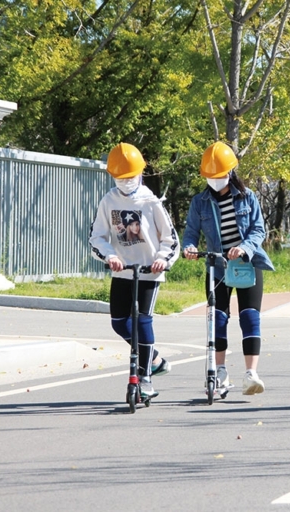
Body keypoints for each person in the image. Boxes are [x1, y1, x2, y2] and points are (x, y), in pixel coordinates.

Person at [182, 141, 275, 395]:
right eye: (211, 176)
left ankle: (251, 374)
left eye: (220, 175)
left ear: (231, 172)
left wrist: (244, 247)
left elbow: (258, 229)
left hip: (247, 263)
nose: (215, 180)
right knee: (218, 319)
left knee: (249, 317)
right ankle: (220, 372)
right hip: (218, 267)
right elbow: (190, 232)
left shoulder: (248, 197)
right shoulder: (199, 202)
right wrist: (188, 247)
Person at [90, 142, 180, 399]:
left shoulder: (151, 202)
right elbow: (97, 237)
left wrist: (163, 259)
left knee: (143, 320)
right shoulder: (109, 201)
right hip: (123, 271)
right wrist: (110, 256)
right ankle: (153, 358)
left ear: (141, 172)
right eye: (121, 177)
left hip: (149, 271)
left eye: (130, 176)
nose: (126, 181)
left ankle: (145, 377)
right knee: (119, 323)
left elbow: (170, 240)